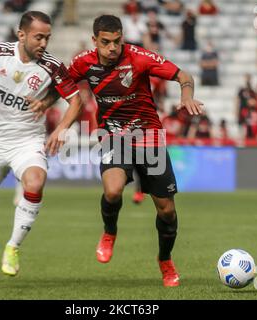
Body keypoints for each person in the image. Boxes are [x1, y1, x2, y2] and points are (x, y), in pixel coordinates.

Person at [34, 15, 203, 287]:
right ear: (95, 41)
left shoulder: (139, 58)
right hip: (114, 138)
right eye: (105, 42)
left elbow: (184, 75)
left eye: (116, 41)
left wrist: (186, 95)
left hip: (148, 138)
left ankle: (165, 259)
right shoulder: (83, 62)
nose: (112, 48)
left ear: (122, 38)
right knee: (112, 191)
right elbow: (62, 87)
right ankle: (109, 232)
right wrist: (45, 103)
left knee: (167, 212)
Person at [0, 11, 82, 277]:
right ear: (21, 34)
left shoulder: (52, 66)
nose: (44, 43)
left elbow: (76, 101)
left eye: (47, 38)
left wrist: (61, 128)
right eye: (38, 37)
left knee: (35, 182)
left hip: (27, 139)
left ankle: (12, 246)